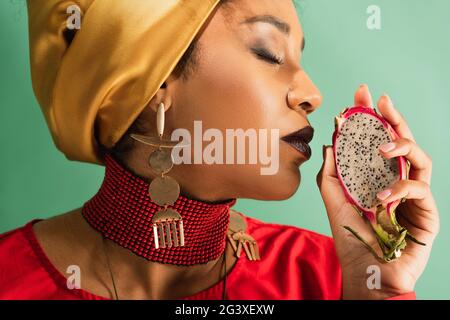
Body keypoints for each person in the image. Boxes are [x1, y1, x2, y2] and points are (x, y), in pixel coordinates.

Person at [0, 0, 439, 300]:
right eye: (269, 53)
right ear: (154, 87)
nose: (311, 94)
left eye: (299, 60)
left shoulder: (329, 277)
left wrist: (377, 291)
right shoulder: (9, 277)